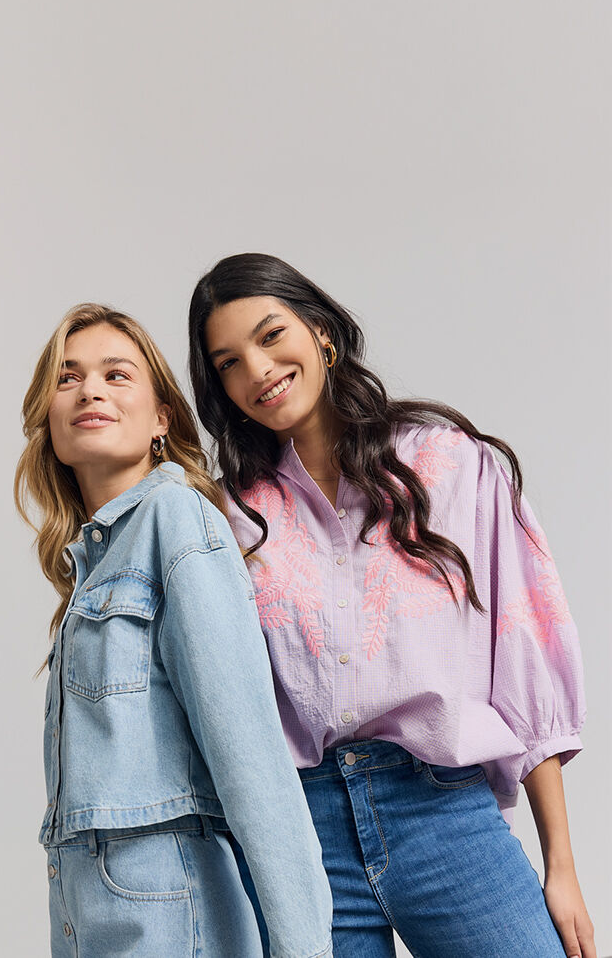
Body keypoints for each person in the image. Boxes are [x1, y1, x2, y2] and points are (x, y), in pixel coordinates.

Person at [187, 253, 593, 958]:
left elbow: (524, 656)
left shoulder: (450, 465)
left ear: (322, 334)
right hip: (302, 836)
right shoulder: (230, 517)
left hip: (442, 809)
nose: (256, 369)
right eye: (227, 362)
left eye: (270, 334)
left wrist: (562, 866)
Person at [16, 303, 333, 958]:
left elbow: (253, 760)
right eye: (68, 377)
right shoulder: (92, 564)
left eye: (116, 373)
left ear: (162, 417)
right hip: (88, 922)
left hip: (171, 922)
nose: (91, 389)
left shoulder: (177, 521)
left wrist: (303, 947)